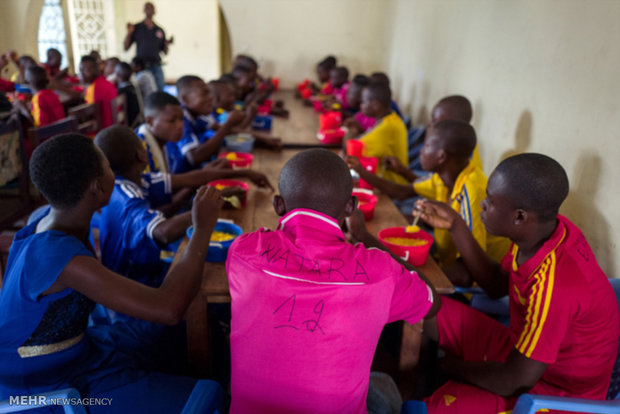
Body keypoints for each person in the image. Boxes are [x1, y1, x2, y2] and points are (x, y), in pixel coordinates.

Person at [0, 133, 223, 412]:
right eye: (108, 167)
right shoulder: (61, 258)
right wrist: (201, 228)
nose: (113, 173)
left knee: (179, 338)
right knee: (207, 392)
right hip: (46, 389)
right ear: (97, 187)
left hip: (81, 350)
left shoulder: (46, 222)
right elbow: (169, 307)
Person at [227, 148, 440, 413]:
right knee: (383, 385)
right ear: (350, 207)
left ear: (278, 205)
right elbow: (431, 302)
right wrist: (363, 236)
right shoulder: (380, 271)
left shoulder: (244, 250)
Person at [415, 153, 619, 413]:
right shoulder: (544, 233)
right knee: (422, 304)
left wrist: (449, 366)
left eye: (490, 200)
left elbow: (515, 380)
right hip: (521, 351)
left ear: (520, 217)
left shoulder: (556, 284)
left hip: (554, 391)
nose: (483, 205)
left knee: (435, 407)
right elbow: (498, 284)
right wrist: (456, 225)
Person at [347, 120, 510, 273]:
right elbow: (403, 191)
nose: (421, 152)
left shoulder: (472, 192)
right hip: (443, 257)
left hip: (471, 283)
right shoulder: (444, 177)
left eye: (425, 146)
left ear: (441, 157)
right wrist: (362, 172)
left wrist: (420, 274)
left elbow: (468, 272)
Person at [345, 82, 409, 185]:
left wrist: (351, 130)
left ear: (375, 105)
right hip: (382, 181)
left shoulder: (388, 126)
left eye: (363, 102)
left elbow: (351, 150)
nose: (360, 105)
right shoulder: (389, 119)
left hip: (390, 186)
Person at [176, 75, 243, 171]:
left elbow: (223, 129)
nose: (211, 97)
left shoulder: (198, 115)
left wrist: (265, 140)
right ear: (186, 99)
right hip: (184, 178)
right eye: (204, 94)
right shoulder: (180, 118)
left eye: (210, 93)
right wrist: (229, 123)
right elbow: (195, 158)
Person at [124, 2, 172, 91]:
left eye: (151, 8)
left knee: (159, 91)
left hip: (156, 66)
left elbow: (165, 52)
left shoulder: (159, 30)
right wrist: (129, 33)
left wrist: (167, 44)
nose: (149, 10)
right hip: (142, 68)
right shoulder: (137, 28)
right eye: (147, 8)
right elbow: (126, 47)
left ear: (154, 11)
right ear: (144, 10)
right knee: (143, 92)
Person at [80, 55, 117, 130]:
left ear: (95, 69)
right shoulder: (107, 83)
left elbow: (90, 115)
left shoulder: (95, 89)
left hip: (103, 131)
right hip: (114, 127)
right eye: (80, 70)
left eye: (84, 70)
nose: (81, 73)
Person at [115, 61, 141, 127]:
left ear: (117, 75)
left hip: (128, 126)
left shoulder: (120, 91)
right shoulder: (133, 87)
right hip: (136, 122)